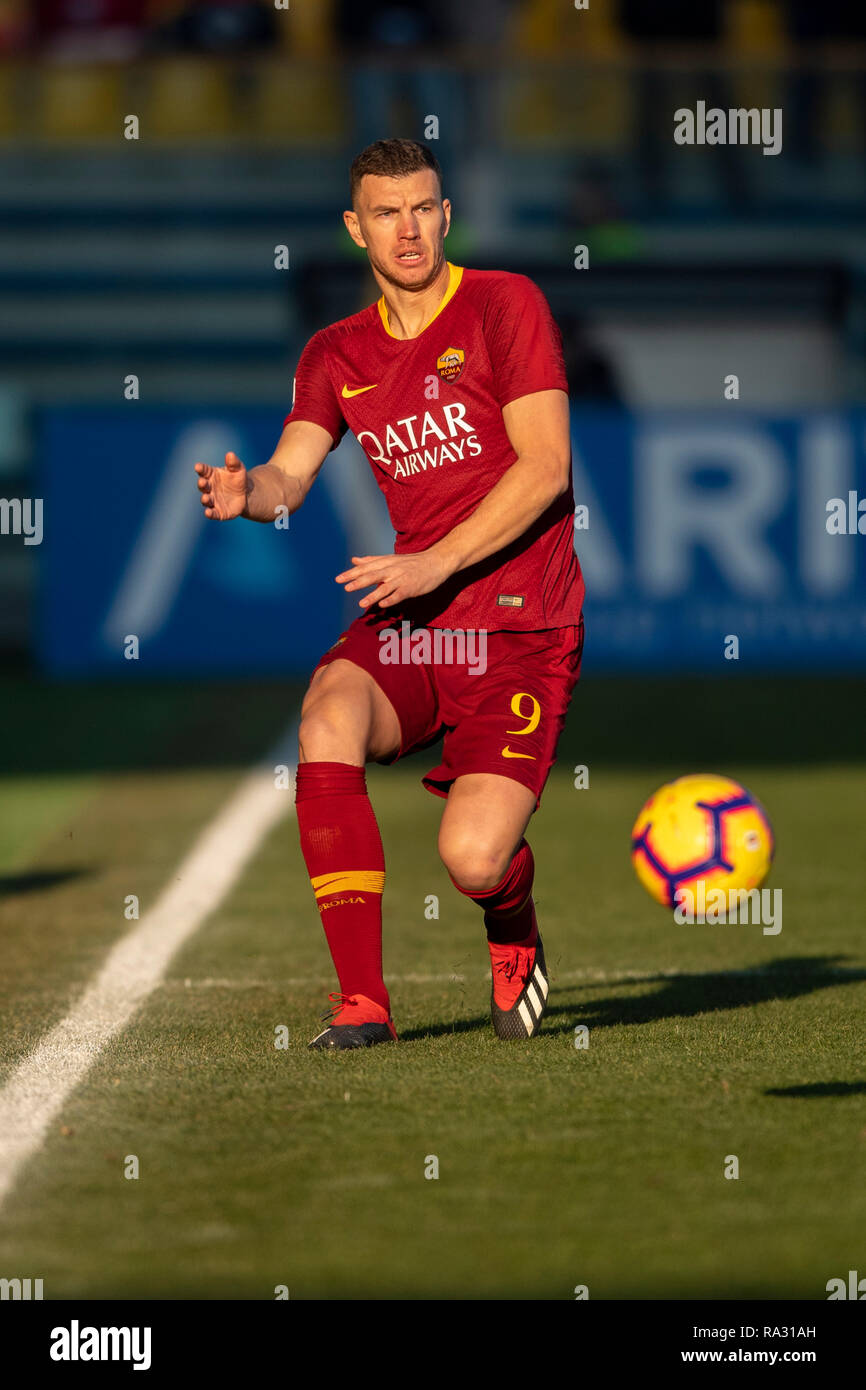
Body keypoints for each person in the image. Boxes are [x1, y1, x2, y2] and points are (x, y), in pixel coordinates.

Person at [194, 139, 585, 1048]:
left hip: (521, 624)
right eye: (385, 212)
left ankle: (513, 927)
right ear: (354, 227)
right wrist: (246, 492)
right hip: (419, 620)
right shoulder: (335, 351)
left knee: (474, 859)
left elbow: (548, 467)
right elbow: (290, 476)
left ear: (447, 215)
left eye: (422, 208)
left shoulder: (504, 304)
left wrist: (437, 561)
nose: (407, 229)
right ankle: (363, 1002)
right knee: (328, 710)